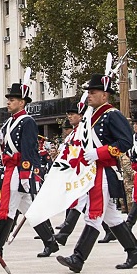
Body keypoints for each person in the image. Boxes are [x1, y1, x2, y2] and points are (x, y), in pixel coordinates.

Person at [56, 74, 137, 273]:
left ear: (104, 95)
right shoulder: (91, 116)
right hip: (93, 171)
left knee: (93, 216)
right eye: (88, 92)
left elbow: (125, 142)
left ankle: (78, 258)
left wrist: (99, 152)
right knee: (112, 218)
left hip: (105, 171)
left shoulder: (112, 115)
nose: (89, 95)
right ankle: (135, 252)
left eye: (93, 92)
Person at [0, 74, 58, 260]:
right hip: (10, 169)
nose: (8, 103)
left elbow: (29, 150)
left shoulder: (27, 121)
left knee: (8, 208)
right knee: (29, 210)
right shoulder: (10, 121)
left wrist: (25, 174)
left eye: (12, 100)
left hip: (19, 170)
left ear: (22, 102)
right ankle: (50, 241)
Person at [53, 99, 87, 245]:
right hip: (75, 171)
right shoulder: (73, 133)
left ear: (81, 115)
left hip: (84, 171)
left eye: (73, 114)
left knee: (79, 203)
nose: (70, 117)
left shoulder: (84, 130)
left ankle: (63, 234)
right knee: (87, 206)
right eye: (69, 114)